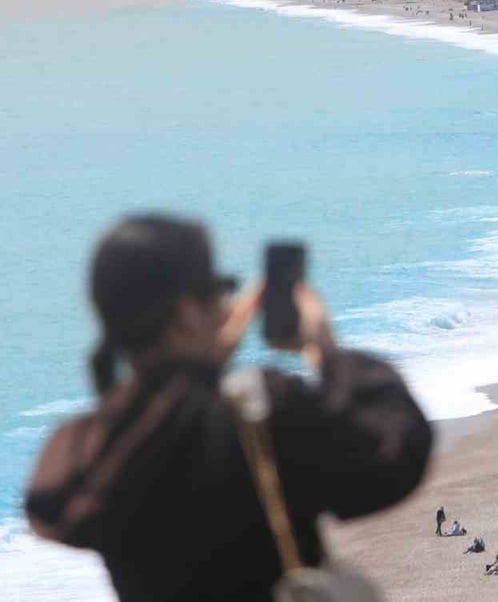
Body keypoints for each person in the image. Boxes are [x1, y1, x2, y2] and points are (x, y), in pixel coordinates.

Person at [24, 214, 432, 602]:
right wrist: (328, 351)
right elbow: (393, 455)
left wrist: (201, 364)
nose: (227, 301)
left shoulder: (86, 446)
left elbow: (168, 419)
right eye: (219, 287)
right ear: (186, 311)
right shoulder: (259, 413)